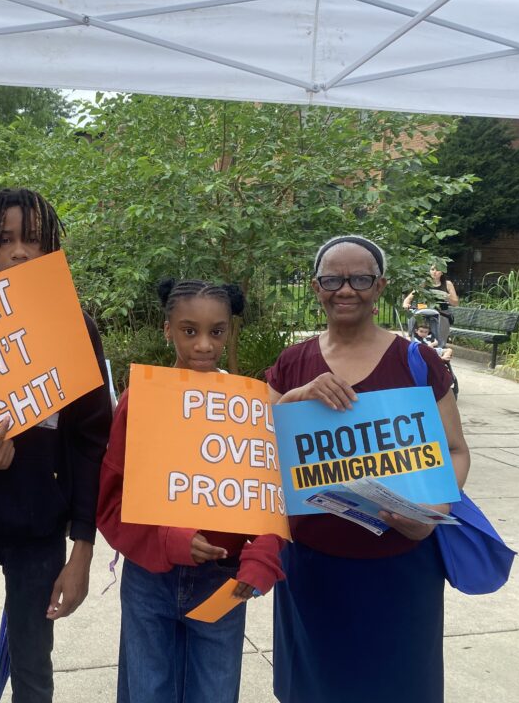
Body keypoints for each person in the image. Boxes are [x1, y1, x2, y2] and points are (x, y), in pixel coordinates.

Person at [266, 235, 471, 703]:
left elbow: (456, 450)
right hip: (313, 569)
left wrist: (431, 511)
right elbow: (261, 456)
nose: (346, 290)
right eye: (332, 279)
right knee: (315, 687)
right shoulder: (291, 364)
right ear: (316, 288)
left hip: (400, 569)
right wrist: (297, 399)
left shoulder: (415, 361)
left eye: (360, 279)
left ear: (379, 287)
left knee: (398, 687)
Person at [0, 188, 113, 703]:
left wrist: (82, 547)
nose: (19, 252)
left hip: (40, 533)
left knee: (34, 668)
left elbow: (89, 440)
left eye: (33, 240)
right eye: (5, 239)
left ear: (52, 247)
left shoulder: (75, 327)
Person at [96, 278, 285, 703]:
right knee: (147, 691)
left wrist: (264, 554)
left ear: (229, 332)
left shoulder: (249, 405)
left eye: (216, 332)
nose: (203, 344)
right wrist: (169, 539)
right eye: (189, 331)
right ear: (168, 331)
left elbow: (268, 493)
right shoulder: (140, 400)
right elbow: (111, 501)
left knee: (215, 693)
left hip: (223, 580)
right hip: (149, 577)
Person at [403, 262, 459, 345]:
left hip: (441, 312)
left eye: (437, 270)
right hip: (425, 310)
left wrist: (447, 296)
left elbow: (455, 303)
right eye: (432, 269)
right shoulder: (424, 283)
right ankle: (412, 337)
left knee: (440, 320)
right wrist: (406, 304)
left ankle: (440, 343)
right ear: (429, 271)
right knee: (414, 315)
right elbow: (409, 298)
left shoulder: (447, 284)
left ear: (442, 272)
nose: (434, 272)